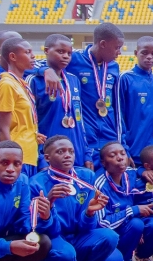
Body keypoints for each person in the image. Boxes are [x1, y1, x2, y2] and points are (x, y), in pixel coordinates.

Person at [29, 136, 119, 261]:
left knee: (110, 237)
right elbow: (39, 231)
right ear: (47, 157)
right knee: (65, 253)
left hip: (77, 237)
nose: (68, 155)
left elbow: (86, 228)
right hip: (53, 239)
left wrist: (89, 214)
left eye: (71, 151)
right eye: (60, 152)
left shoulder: (86, 177)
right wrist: (48, 206)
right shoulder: (36, 183)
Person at [40, 23, 124, 170]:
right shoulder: (74, 59)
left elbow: (118, 109)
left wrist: (121, 141)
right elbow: (37, 63)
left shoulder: (114, 67)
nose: (119, 53)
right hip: (86, 138)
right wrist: (45, 70)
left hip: (109, 139)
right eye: (116, 47)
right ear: (103, 44)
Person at [29, 35, 87, 168]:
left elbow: (80, 120)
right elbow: (31, 123)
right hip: (49, 156)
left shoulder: (74, 80)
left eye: (69, 53)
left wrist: (85, 153)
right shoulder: (34, 80)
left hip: (75, 154)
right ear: (46, 50)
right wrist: (40, 157)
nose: (66, 56)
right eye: (60, 52)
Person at [92, 141, 144, 261]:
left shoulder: (130, 175)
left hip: (121, 229)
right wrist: (133, 210)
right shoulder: (99, 184)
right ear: (103, 162)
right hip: (102, 235)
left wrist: (143, 171)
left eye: (122, 153)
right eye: (113, 155)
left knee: (137, 224)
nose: (120, 158)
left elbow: (139, 170)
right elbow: (102, 222)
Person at [0, 37, 42, 177]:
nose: (33, 56)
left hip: (30, 153)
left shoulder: (23, 84)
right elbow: (3, 127)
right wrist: (9, 159)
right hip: (18, 156)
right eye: (27, 52)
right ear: (13, 56)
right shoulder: (7, 84)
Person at [118, 36, 153, 166]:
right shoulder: (125, 79)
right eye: (144, 52)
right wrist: (124, 150)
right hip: (132, 151)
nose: (149, 57)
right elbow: (118, 116)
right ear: (136, 53)